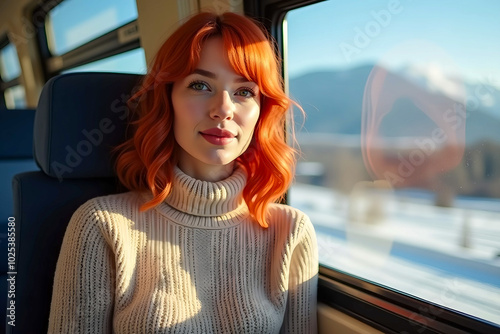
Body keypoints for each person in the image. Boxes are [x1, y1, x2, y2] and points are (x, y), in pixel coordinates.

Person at [48, 12, 318, 334]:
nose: (223, 108)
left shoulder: (289, 232)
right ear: (167, 99)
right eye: (200, 85)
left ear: (262, 112)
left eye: (244, 91)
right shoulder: (102, 224)